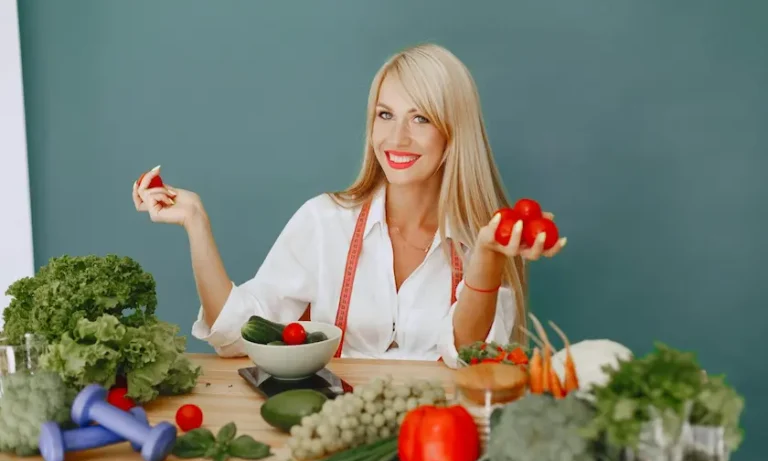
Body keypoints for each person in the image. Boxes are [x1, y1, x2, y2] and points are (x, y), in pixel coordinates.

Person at [132, 43, 566, 368]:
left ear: (454, 133)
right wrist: (195, 223)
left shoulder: (489, 240)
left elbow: (469, 356)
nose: (396, 139)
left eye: (420, 119)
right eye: (385, 115)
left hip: (443, 441)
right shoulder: (325, 223)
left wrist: (487, 258)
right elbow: (234, 337)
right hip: (337, 437)